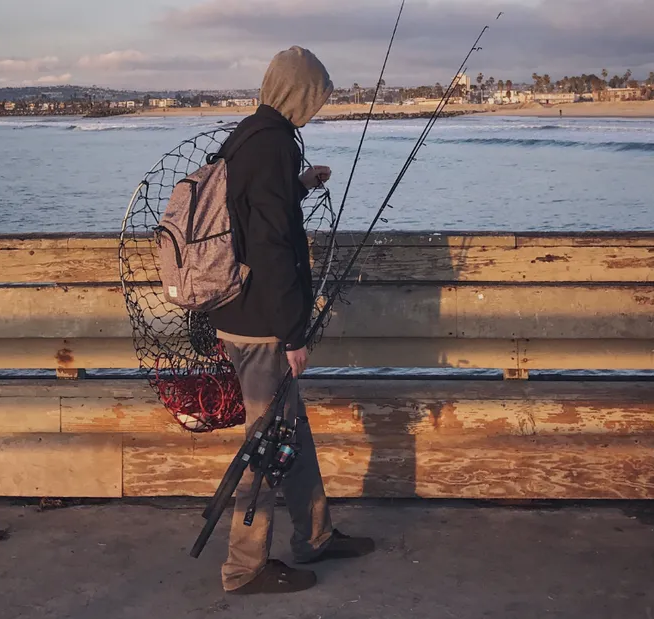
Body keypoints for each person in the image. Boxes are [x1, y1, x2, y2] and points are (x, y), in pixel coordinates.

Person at [207, 46, 376, 595]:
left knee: (288, 436)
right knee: (264, 449)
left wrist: (299, 186)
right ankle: (243, 567)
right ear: (298, 92)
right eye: (315, 95)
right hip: (262, 325)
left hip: (240, 311)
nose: (317, 106)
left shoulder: (249, 136)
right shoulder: (273, 143)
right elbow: (273, 248)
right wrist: (293, 335)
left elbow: (254, 216)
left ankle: (315, 535)